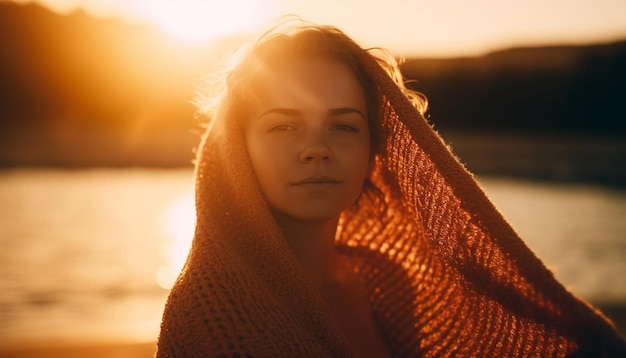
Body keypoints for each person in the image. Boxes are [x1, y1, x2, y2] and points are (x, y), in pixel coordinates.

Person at [157, 20, 626, 357]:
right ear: (239, 150)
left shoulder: (384, 279)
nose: (316, 149)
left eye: (343, 127)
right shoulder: (210, 315)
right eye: (283, 127)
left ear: (373, 152)